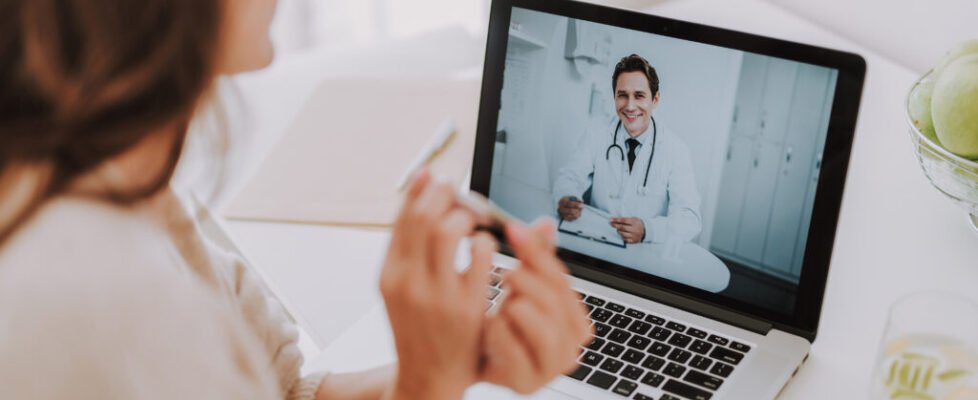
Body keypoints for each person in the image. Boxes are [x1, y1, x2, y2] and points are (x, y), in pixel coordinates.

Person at [0, 1, 591, 399]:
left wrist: (458, 359)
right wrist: (429, 383)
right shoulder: (102, 299)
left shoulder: (119, 180)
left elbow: (288, 389)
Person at [553, 54, 702, 245]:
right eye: (622, 95)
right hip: (597, 240)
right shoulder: (597, 131)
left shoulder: (676, 149)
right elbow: (569, 177)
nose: (630, 106)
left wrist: (648, 229)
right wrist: (567, 198)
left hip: (645, 254)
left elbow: (690, 219)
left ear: (655, 99)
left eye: (639, 96)